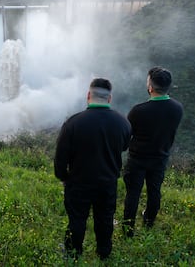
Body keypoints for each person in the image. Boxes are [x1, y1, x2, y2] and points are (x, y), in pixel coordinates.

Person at [54, 78, 131, 260]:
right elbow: (123, 147)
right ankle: (104, 253)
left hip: (78, 182)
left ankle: (73, 253)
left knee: (77, 219)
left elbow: (60, 158)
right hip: (107, 182)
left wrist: (64, 177)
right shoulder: (123, 124)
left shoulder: (72, 123)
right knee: (104, 218)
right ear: (110, 98)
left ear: (88, 95)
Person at [122, 67, 183, 237]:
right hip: (160, 158)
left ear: (150, 86)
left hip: (137, 159)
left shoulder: (138, 111)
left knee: (133, 193)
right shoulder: (177, 109)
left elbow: (127, 136)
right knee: (154, 191)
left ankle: (128, 229)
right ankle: (149, 222)